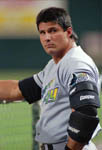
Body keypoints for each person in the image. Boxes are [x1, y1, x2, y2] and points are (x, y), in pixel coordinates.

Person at [0, 7, 101, 150]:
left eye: (53, 30)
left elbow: (86, 113)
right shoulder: (55, 65)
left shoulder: (76, 63)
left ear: (68, 32)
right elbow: (19, 89)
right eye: (43, 32)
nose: (47, 37)